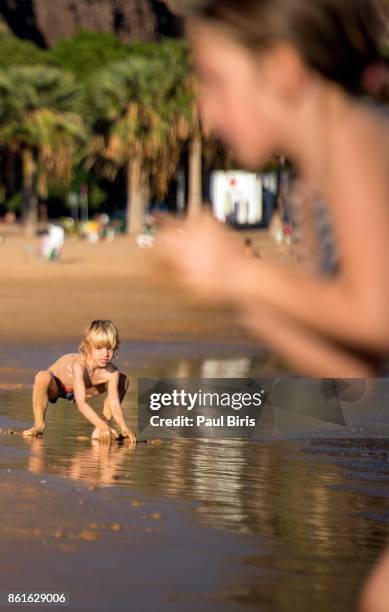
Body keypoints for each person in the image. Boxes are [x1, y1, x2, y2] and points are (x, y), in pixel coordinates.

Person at [159, 0, 389, 377]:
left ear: (282, 69)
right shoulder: (309, 186)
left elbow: (378, 318)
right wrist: (240, 295)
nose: (205, 110)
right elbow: (354, 368)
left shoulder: (353, 135)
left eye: (215, 80)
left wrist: (239, 274)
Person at [22, 320, 137, 445]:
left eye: (109, 348)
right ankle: (39, 425)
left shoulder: (112, 372)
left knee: (123, 380)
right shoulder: (79, 365)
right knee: (42, 377)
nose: (105, 354)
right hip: (58, 386)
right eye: (99, 348)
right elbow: (81, 404)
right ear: (87, 347)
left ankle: (100, 428)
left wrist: (124, 427)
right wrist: (107, 430)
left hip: (85, 389)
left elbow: (114, 404)